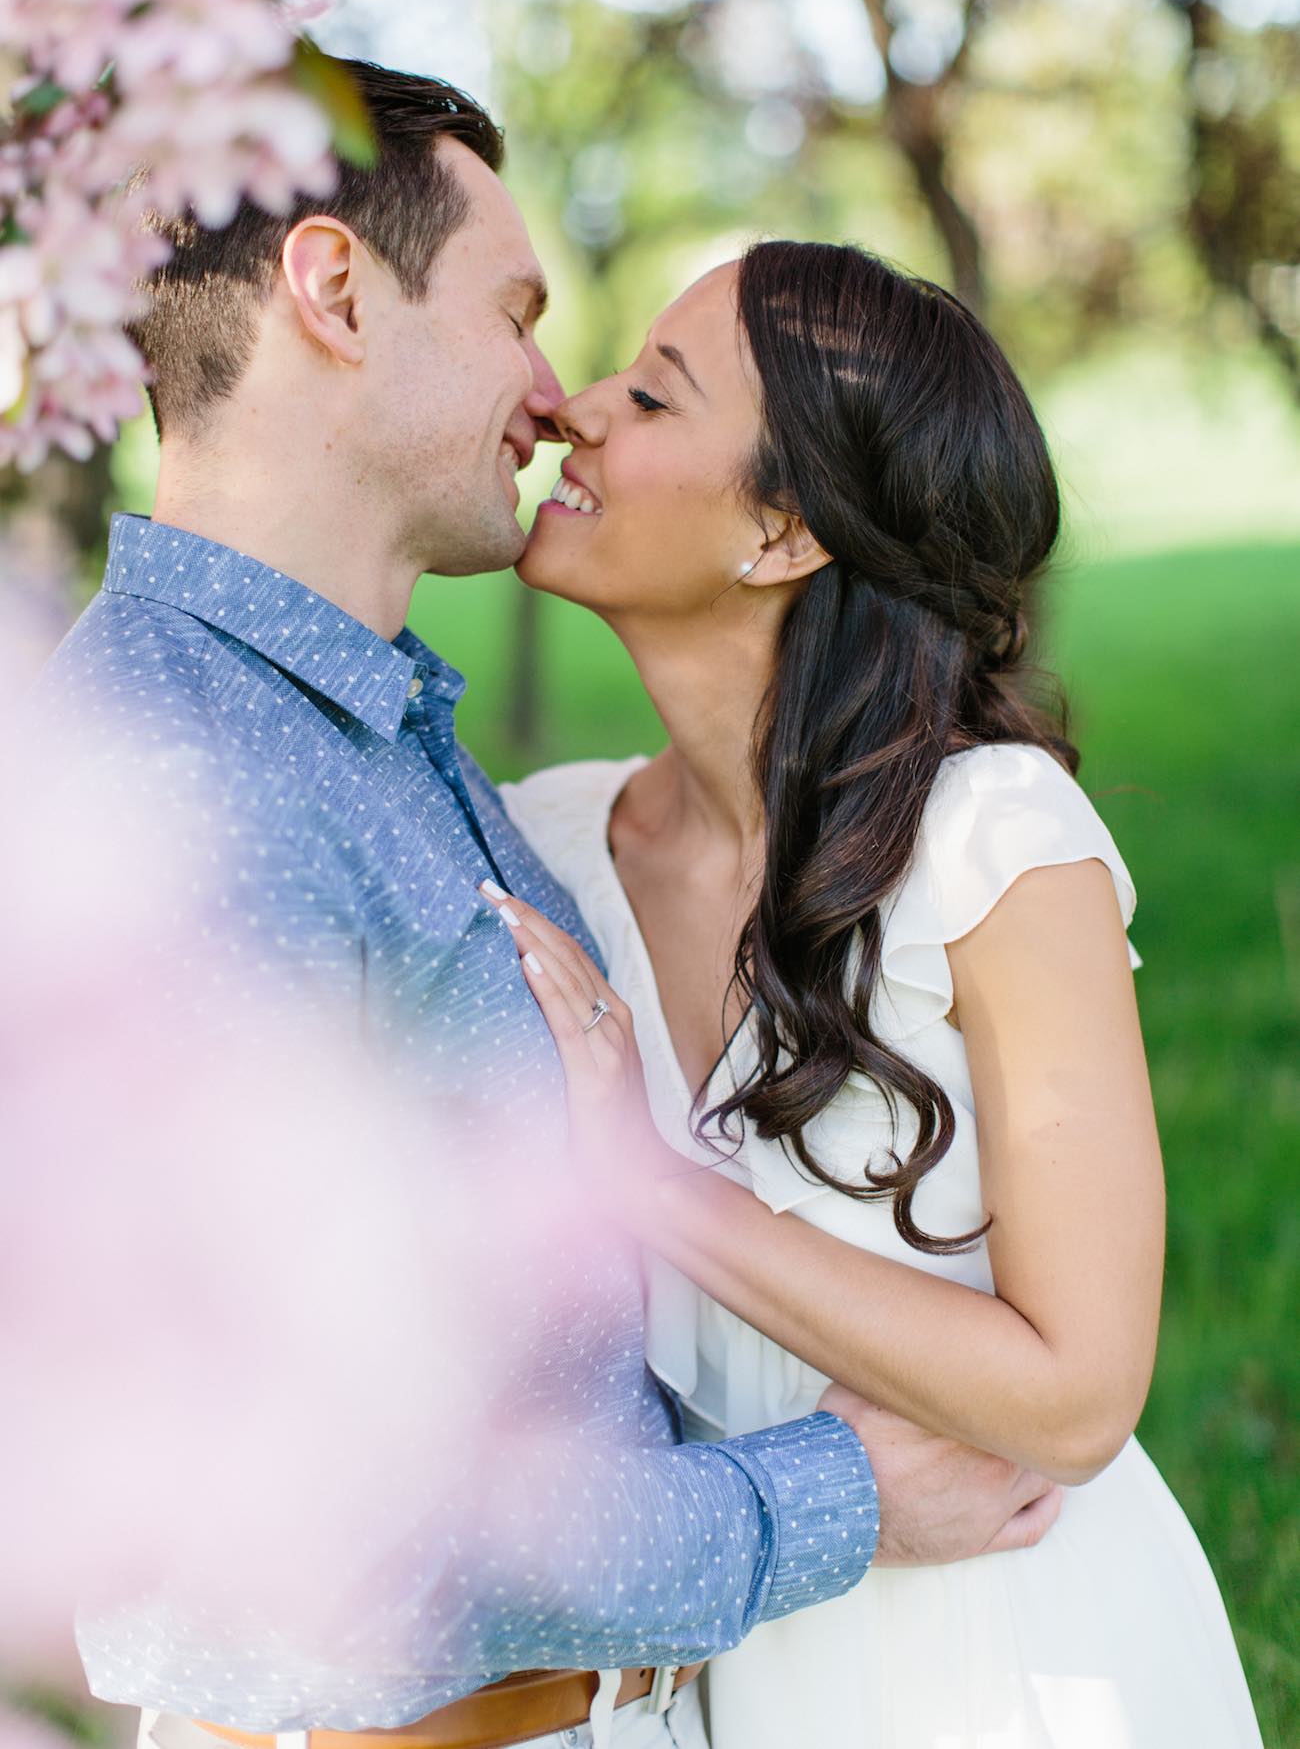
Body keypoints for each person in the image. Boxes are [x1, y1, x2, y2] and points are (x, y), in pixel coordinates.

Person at [34, 65, 1061, 1749]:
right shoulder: (183, 790)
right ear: (335, 291)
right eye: (514, 311)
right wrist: (839, 1494)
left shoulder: (381, 743)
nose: (551, 392)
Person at [494, 243, 1266, 1747]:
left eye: (652, 394)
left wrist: (653, 1190)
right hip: (705, 1665)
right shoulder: (551, 843)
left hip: (1001, 1657)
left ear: (780, 528)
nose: (578, 409)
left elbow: (1076, 1392)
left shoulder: (992, 843)